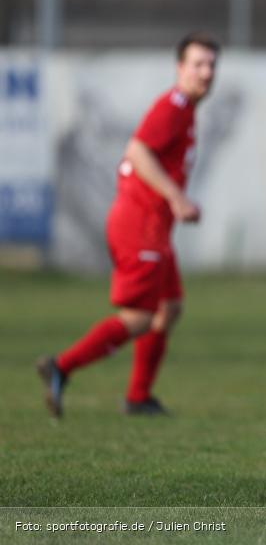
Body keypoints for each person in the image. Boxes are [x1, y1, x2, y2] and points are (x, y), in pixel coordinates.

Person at [37, 33, 220, 417]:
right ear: (180, 68)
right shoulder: (173, 106)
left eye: (211, 65)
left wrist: (175, 201)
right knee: (138, 318)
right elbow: (137, 151)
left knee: (169, 307)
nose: (206, 72)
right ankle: (61, 367)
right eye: (198, 64)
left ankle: (138, 397)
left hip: (153, 225)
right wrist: (176, 197)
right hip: (140, 225)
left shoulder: (186, 110)